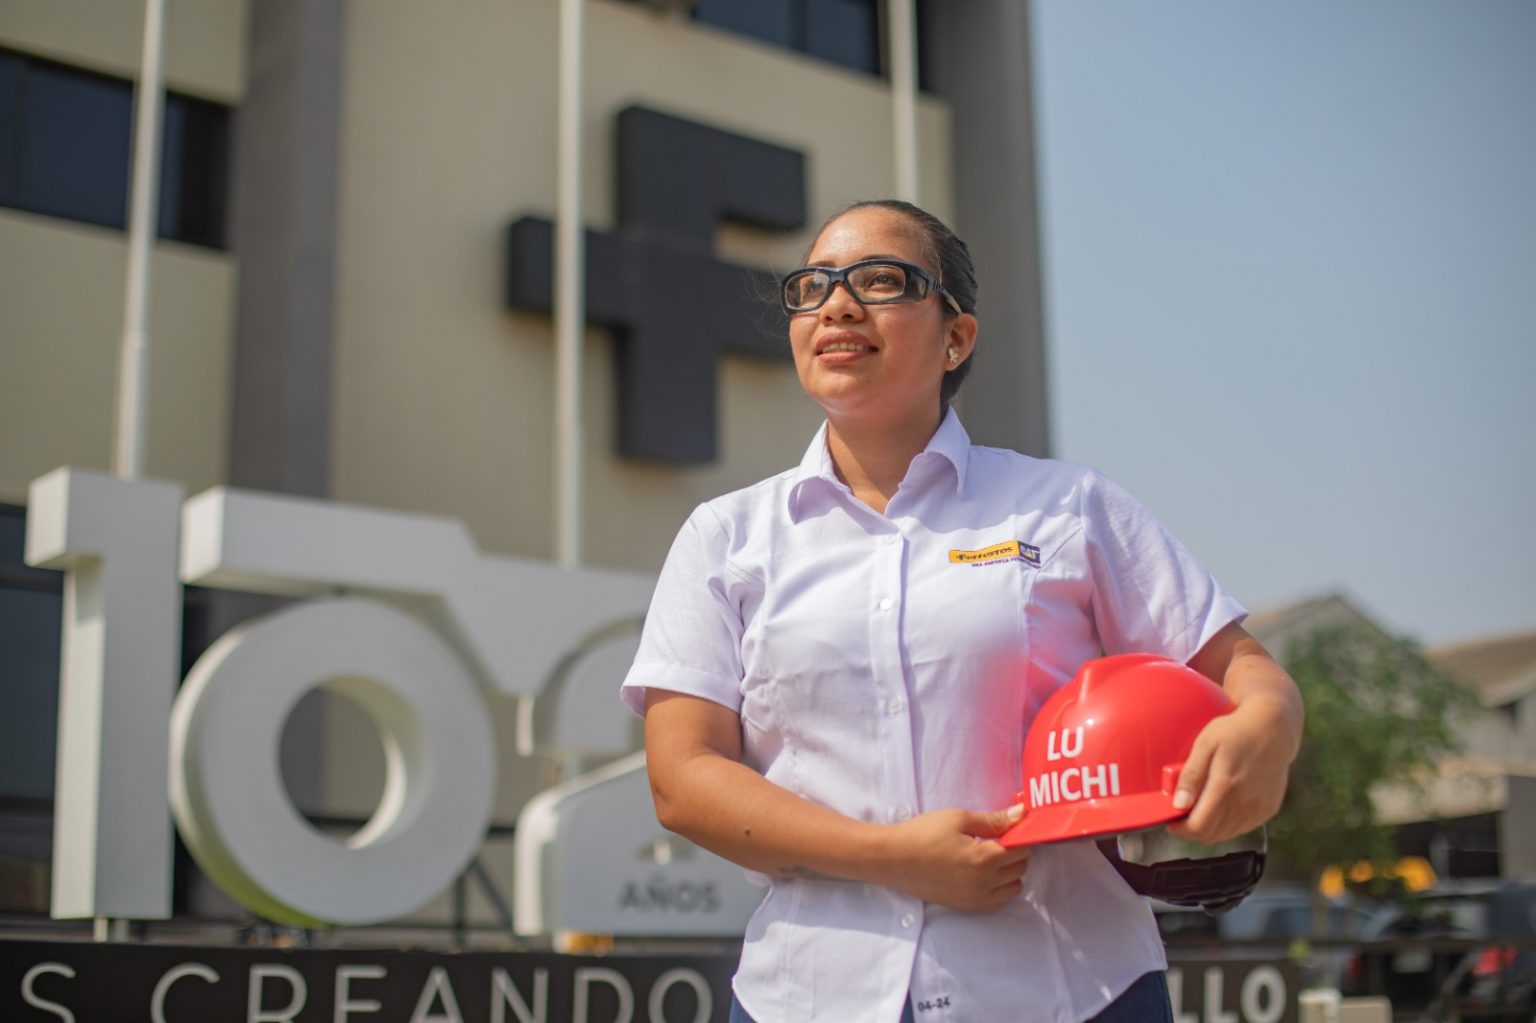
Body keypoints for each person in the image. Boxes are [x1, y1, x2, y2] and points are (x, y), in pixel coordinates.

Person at [620, 199, 1303, 1023]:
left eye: (881, 280)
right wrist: (889, 856)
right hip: (809, 995)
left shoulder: (1067, 507)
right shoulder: (726, 536)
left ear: (957, 337)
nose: (838, 305)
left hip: (1069, 990)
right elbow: (684, 779)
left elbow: (1244, 672)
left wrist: (1266, 728)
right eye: (814, 286)